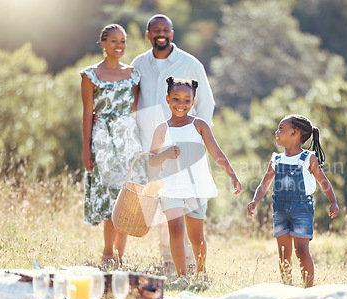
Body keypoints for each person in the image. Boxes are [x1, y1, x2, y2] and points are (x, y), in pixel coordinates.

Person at [131, 14, 216, 274]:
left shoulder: (189, 63)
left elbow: (207, 104)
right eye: (155, 30)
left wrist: (198, 142)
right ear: (148, 34)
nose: (161, 34)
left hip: (184, 150)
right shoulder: (139, 63)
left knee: (189, 206)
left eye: (165, 30)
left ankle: (191, 264)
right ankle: (169, 261)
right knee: (161, 204)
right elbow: (132, 101)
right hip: (151, 147)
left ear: (172, 33)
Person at [149, 77, 241, 284]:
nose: (181, 104)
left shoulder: (199, 125)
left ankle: (201, 273)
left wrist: (232, 175)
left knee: (196, 236)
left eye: (186, 100)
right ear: (167, 99)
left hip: (196, 188)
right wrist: (164, 154)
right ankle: (181, 277)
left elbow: (216, 152)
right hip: (170, 187)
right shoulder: (162, 128)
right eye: (176, 99)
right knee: (176, 229)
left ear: (193, 102)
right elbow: (152, 161)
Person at [80, 24, 147, 265]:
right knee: (110, 194)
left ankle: (120, 255)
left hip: (129, 139)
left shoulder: (133, 74)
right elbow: (88, 113)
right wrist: (86, 149)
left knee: (128, 195)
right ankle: (108, 253)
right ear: (103, 43)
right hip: (102, 139)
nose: (119, 45)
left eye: (123, 41)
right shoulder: (90, 75)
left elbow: (136, 109)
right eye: (114, 41)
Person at [247, 115, 339, 287]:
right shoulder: (276, 159)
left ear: (295, 132)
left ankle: (308, 289)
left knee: (302, 251)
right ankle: (288, 289)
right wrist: (254, 201)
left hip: (301, 208)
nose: (277, 131)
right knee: (283, 253)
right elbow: (265, 184)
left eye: (281, 128)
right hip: (280, 209)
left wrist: (333, 201)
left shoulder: (308, 158)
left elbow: (323, 181)